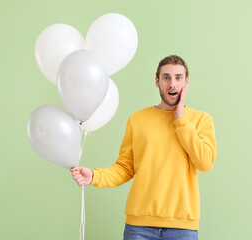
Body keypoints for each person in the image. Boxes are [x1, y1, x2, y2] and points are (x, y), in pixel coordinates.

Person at [70, 55, 217, 240]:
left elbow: (205, 162)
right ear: (157, 81)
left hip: (183, 228)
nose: (172, 84)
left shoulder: (201, 120)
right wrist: (95, 176)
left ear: (186, 82)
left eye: (178, 77)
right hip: (139, 228)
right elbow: (125, 168)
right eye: (166, 77)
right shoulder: (137, 120)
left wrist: (181, 119)